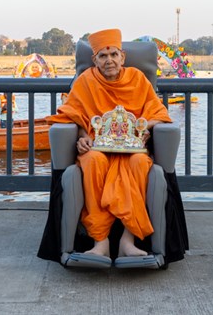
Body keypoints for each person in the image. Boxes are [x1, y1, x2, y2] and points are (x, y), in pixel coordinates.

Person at [46, 28, 172, 260]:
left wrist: (145, 127)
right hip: (97, 147)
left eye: (114, 54)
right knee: (92, 161)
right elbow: (75, 113)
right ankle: (100, 241)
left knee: (138, 163)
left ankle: (127, 240)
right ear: (94, 60)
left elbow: (158, 112)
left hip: (131, 148)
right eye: (103, 56)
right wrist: (82, 137)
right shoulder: (85, 81)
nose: (109, 60)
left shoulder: (137, 78)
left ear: (122, 57)